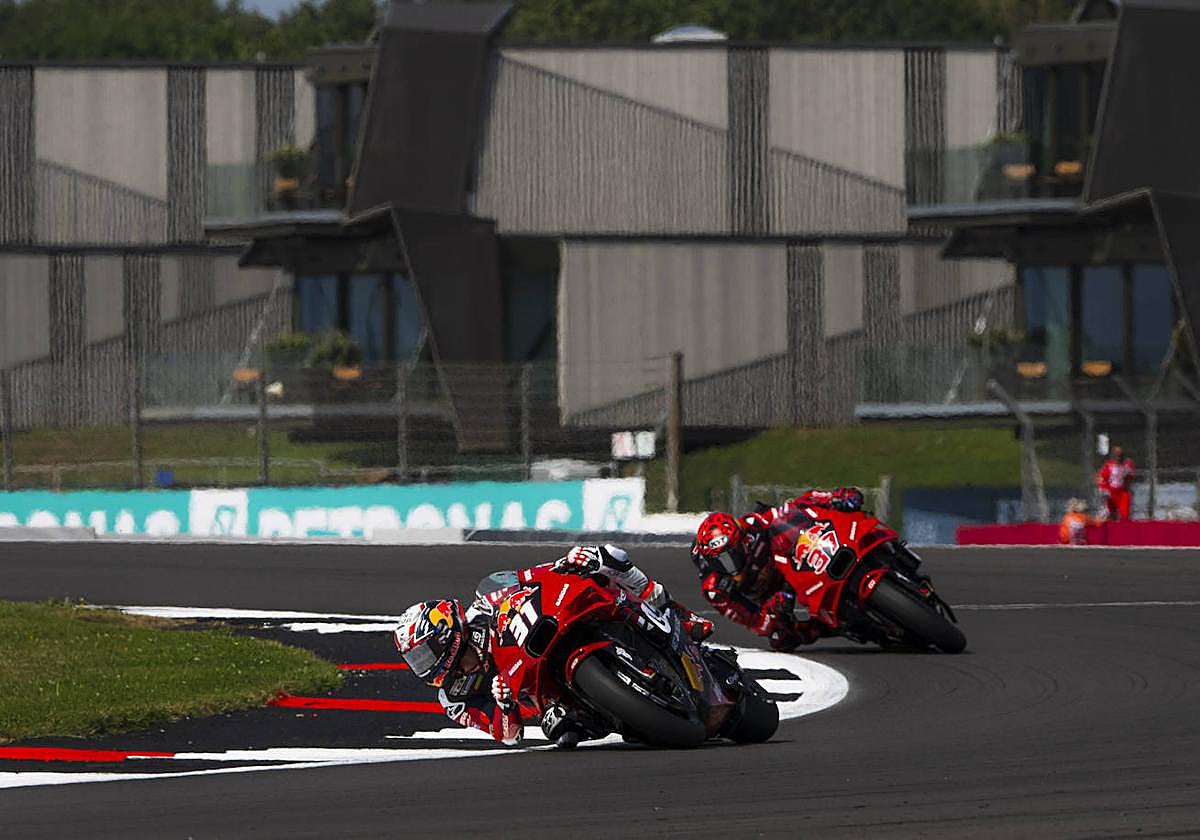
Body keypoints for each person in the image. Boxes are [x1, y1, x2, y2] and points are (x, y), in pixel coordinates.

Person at [392, 544, 713, 749]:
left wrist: (567, 562)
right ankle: (633, 716)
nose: (423, 664)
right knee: (561, 731)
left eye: (423, 654)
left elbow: (532, 576)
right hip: (546, 696)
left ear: (443, 631)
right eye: (415, 660)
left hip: (552, 626)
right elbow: (508, 735)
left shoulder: (484, 602)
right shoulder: (453, 697)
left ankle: (674, 612)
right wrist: (505, 704)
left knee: (605, 560)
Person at [691, 487, 865, 651]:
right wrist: (771, 614)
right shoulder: (715, 589)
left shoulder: (753, 525)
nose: (728, 565)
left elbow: (792, 507)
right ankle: (834, 628)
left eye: (731, 555)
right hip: (772, 597)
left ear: (742, 541)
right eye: (718, 561)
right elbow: (751, 620)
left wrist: (831, 499)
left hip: (789, 563)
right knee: (780, 639)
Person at [1097, 445, 1136, 521]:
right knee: (1111, 515)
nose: (1119, 456)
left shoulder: (1127, 464)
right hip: (1111, 492)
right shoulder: (1108, 465)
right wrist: (1104, 491)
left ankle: (1124, 525)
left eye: (1120, 454)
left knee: (1125, 515)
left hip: (1122, 492)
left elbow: (1132, 475)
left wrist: (1128, 475)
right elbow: (1102, 479)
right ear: (1113, 455)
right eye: (1117, 454)